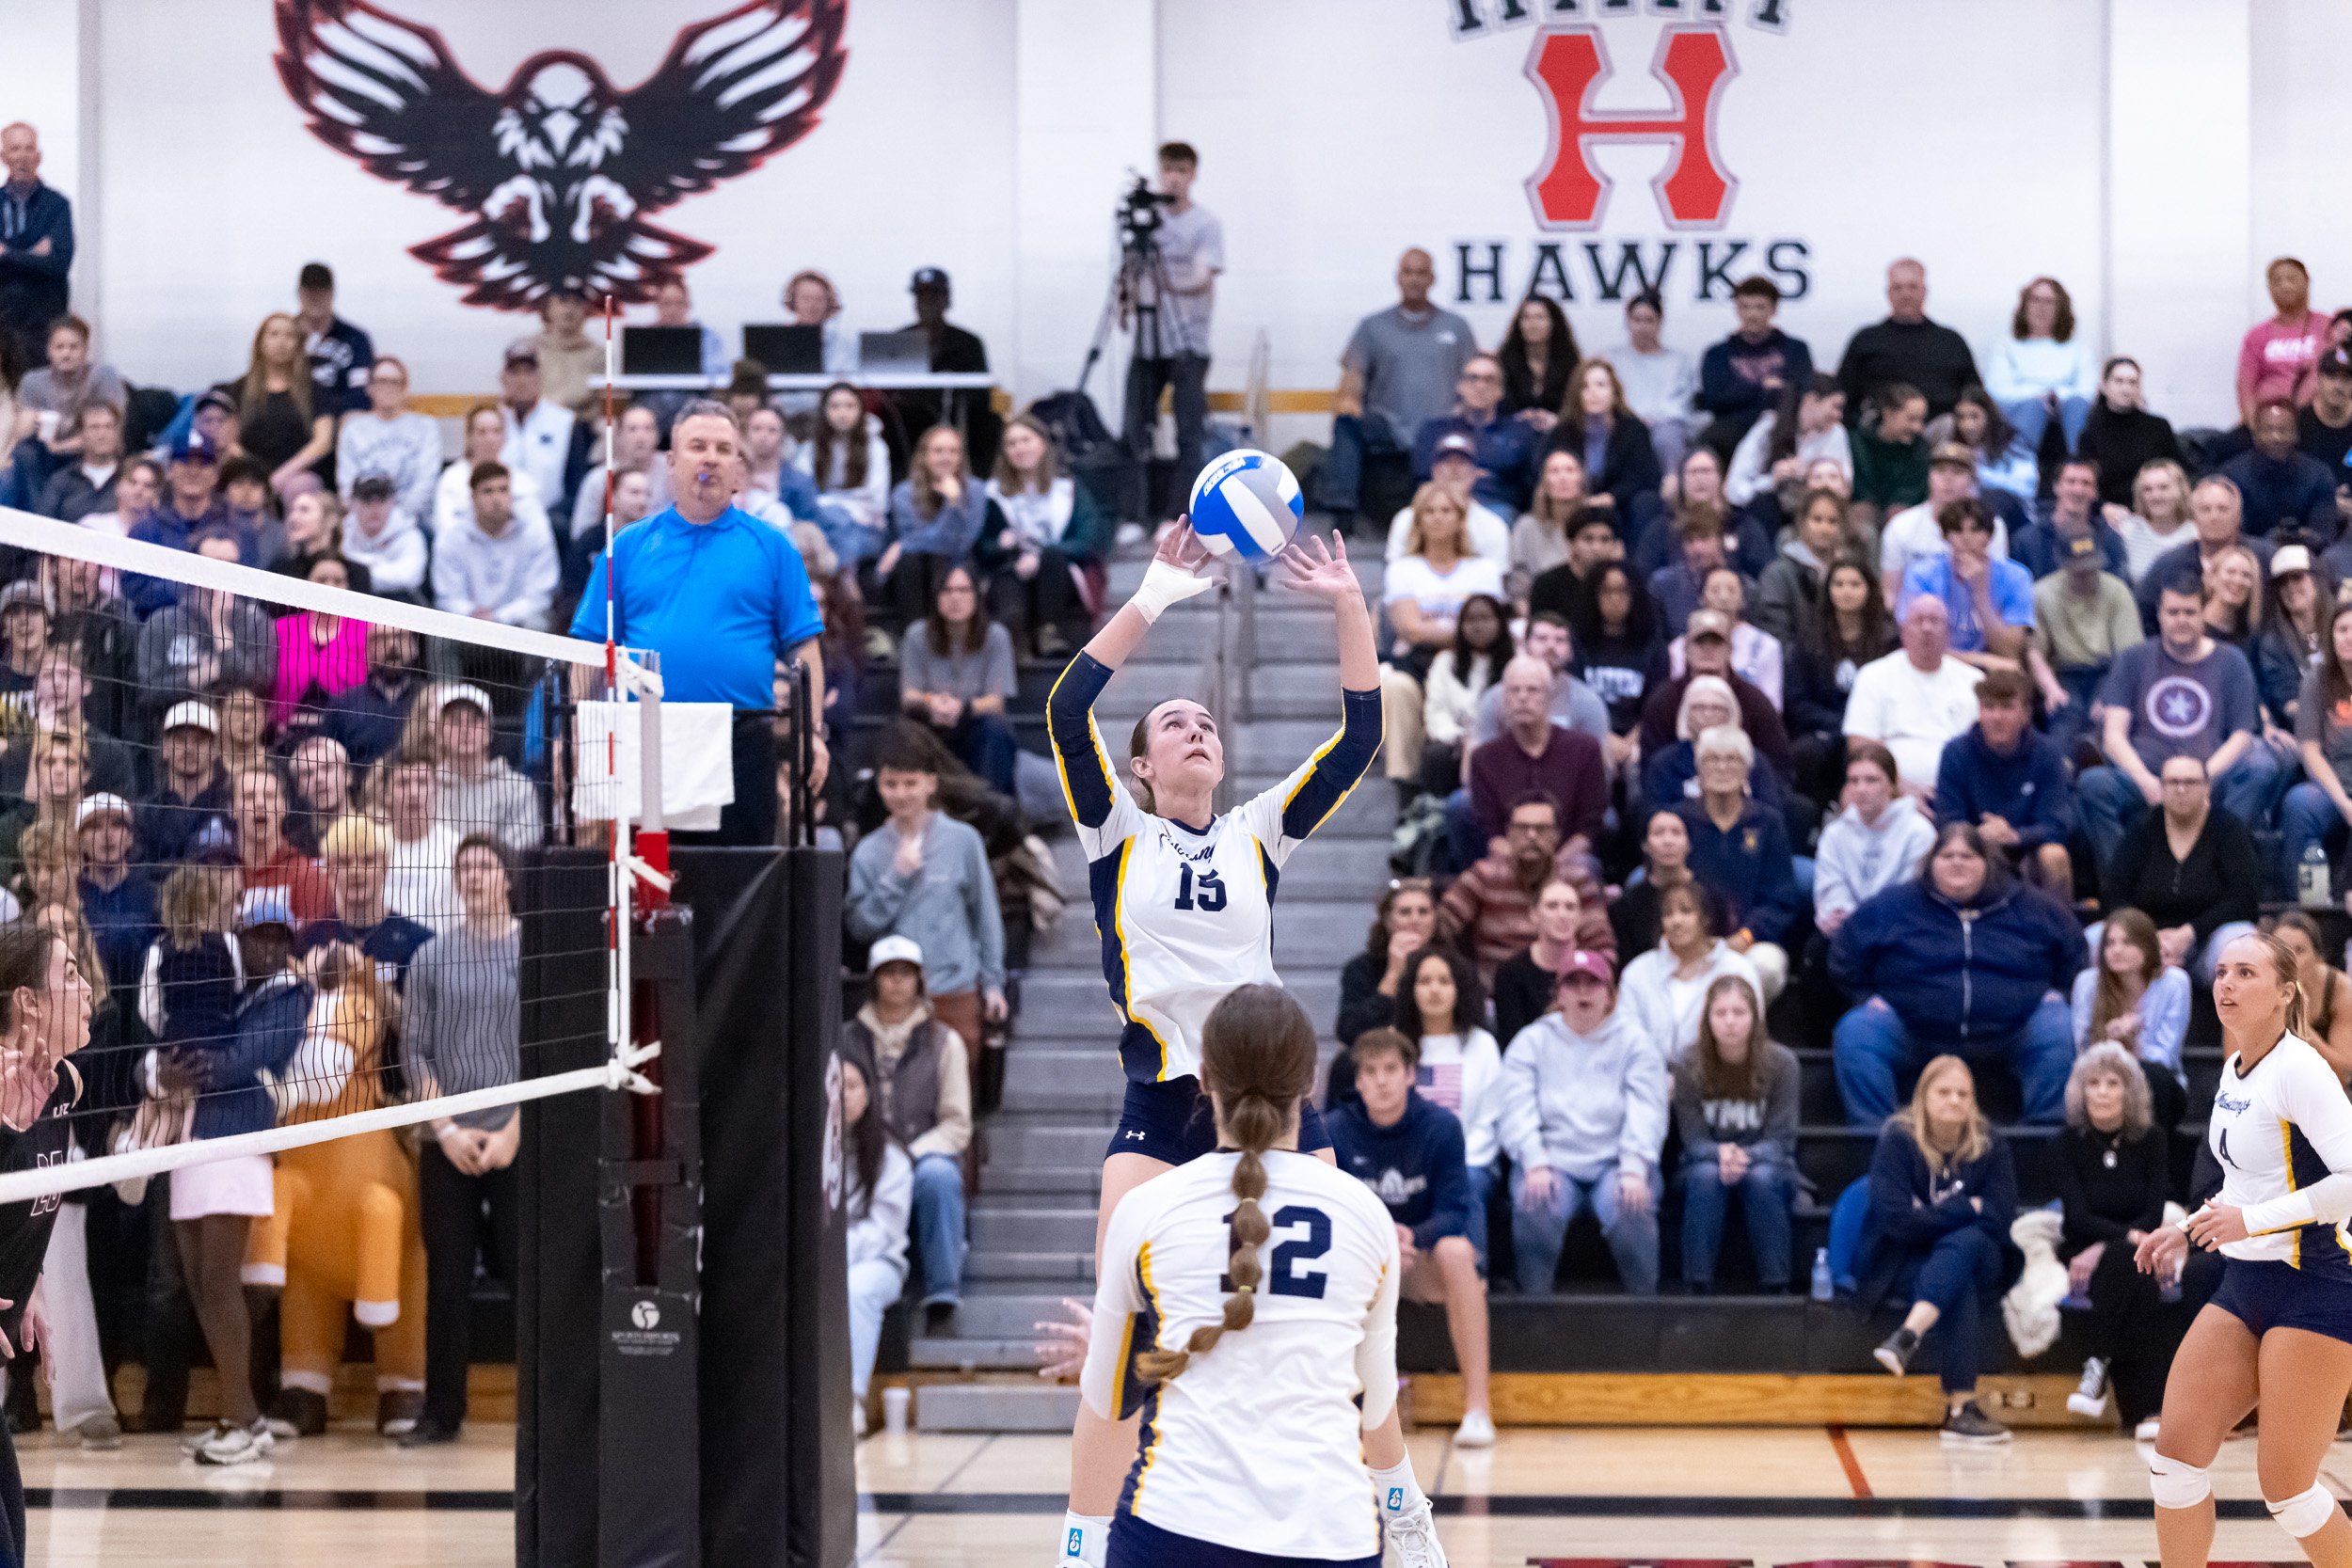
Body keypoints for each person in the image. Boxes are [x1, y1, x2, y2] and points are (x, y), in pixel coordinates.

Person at [1042, 519, 1389, 1568]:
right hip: (1161, 1103)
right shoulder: (1114, 831)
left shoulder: (1256, 832)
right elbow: (1065, 709)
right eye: (1174, 724)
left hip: (1273, 1102)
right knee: (1120, 1346)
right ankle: (1082, 1544)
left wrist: (1348, 603)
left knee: (1327, 1323)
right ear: (1141, 765)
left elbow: (1359, 739)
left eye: (1205, 722)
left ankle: (1375, 1516)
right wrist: (1153, 593)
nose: (1196, 730)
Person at [1073, 986, 1448, 1568]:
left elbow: (1105, 1398)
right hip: (1331, 1540)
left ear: (1202, 1078)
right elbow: (1374, 1405)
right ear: (1310, 1083)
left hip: (1173, 1532)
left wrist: (1111, 1353)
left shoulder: (1144, 1209)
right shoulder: (1366, 1215)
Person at [2136, 931, 2352, 1568]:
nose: (2227, 983)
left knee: (2288, 1492)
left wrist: (2249, 1222)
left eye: (2246, 972)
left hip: (2319, 1287)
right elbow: (2245, 1182)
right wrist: (2187, 1227)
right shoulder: (2234, 1068)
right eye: (2223, 970)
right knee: (2174, 1462)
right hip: (2245, 1285)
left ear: (2285, 992)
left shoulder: (2301, 1068)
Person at [572, 400, 833, 845]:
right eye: (697, 446)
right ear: (671, 463)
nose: (710, 458)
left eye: (723, 449)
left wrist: (811, 732)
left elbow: (804, 647)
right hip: (646, 740)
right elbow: (590, 647)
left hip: (742, 742)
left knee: (742, 878)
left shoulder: (773, 547)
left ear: (739, 470)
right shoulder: (628, 546)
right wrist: (576, 734)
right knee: (648, 877)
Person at [168, 886, 310, 1464]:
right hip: (193, 1141)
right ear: (239, 940)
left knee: (222, 1285)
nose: (270, 950)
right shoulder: (228, 990)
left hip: (239, 1143)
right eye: (259, 938)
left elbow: (240, 1060)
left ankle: (245, 1424)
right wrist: (168, 1064)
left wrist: (188, 1063)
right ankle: (240, 1416)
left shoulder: (291, 994)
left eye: (281, 940)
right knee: (200, 1284)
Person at [1832, 822, 2081, 1126]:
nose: (1957, 863)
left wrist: (2062, 993)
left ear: (1986, 862)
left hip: (2014, 1029)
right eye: (1947, 856)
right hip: (1913, 1030)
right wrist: (1864, 996)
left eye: (1967, 856)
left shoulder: (2032, 907)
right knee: (1857, 1032)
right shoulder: (1894, 905)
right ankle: (1876, 1140)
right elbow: (1845, 951)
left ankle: (2044, 1138)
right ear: (1931, 862)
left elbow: (2075, 952)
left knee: (2059, 1026)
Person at [400, 834, 521, 1448]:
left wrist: (513, 1130)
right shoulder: (430, 957)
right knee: (446, 1281)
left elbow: (549, 1048)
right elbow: (413, 1049)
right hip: (446, 1140)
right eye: (464, 867)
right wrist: (444, 1129)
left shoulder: (533, 951)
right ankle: (441, 1411)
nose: (474, 876)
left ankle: (547, 1407)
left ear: (506, 878)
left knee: (529, 1275)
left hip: (516, 1137)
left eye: (485, 866)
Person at [1330, 1025, 1493, 1446]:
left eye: (1390, 1069)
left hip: (1418, 1260)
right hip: (1363, 1265)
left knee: (1458, 1252)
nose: (1381, 1081)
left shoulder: (1442, 1127)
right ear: (1358, 1081)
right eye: (1371, 1071)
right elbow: (1330, 1215)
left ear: (1409, 1076)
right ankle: (1334, 1409)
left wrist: (1409, 1237)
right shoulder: (1335, 1131)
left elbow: (1456, 1211)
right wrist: (1381, 1243)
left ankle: (1478, 1410)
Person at [1861, 1055, 2022, 1446]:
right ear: (1923, 1096)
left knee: (1968, 1244)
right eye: (1944, 1092)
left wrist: (1928, 1215)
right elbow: (1895, 1221)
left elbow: (2000, 1216)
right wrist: (1969, 1208)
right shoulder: (1898, 1139)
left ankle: (1908, 1335)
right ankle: (1961, 1410)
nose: (1954, 1101)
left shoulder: (1990, 1143)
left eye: (1963, 1094)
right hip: (1907, 1258)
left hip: (1984, 1257)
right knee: (1958, 1277)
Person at [2082, 573, 2277, 873]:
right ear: (2159, 615)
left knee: (2261, 769)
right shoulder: (2133, 659)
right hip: (2146, 777)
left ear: (2203, 614)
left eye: (2190, 612)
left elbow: (2242, 736)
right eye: (2173, 612)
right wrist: (2148, 782)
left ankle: (2213, 867)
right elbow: (2113, 737)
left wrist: (2201, 780)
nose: (2181, 620)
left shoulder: (2232, 661)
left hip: (2211, 776)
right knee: (2093, 784)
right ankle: (2123, 882)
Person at [1498, 952, 1666, 1295]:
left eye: (1593, 984)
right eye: (1573, 984)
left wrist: (1634, 1166)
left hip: (1616, 1163)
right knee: (1535, 1201)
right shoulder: (1531, 1042)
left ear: (1610, 995)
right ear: (1559, 995)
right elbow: (1515, 1107)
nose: (1583, 992)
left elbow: (1648, 1109)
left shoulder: (1636, 1042)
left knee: (1631, 1206)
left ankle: (1646, 1308)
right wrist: (1534, 1160)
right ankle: (1533, 1307)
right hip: (1552, 1163)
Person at [0, 924, 94, 1542]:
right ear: (28, 1002)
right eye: (70, 974)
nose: (87, 988)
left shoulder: (64, 1086)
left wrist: (25, 1270)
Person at [846, 732, 1007, 1055]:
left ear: (930, 784)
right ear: (879, 786)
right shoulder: (868, 852)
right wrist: (895, 877)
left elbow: (985, 916)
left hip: (956, 991)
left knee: (960, 1085)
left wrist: (993, 984)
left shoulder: (963, 841)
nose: (901, 794)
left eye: (911, 783)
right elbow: (859, 927)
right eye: (891, 784)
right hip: (894, 998)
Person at [842, 934, 972, 1329]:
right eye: (888, 972)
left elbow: (957, 1124)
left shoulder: (945, 1042)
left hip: (918, 1155)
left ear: (920, 980)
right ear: (874, 980)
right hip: (856, 1151)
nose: (897, 981)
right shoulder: (845, 1039)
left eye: (906, 972)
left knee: (938, 1176)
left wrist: (906, 1155)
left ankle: (942, 1296)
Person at [2049, 1045, 2178, 1437]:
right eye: (2094, 1083)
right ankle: (2148, 1410)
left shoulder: (2153, 1140)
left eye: (2113, 1083)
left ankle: (2097, 1361)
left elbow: (2154, 1213)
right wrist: (2125, 1238)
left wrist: (2119, 1242)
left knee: (2132, 1267)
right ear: (2081, 1091)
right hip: (2081, 1247)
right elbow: (2078, 1217)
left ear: (2130, 1091)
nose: (2102, 1092)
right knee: (2134, 1266)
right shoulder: (2065, 1143)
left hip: (2129, 1246)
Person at [1321, 248, 1478, 527]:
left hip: (1440, 428)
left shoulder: (1456, 327)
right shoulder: (1373, 327)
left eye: (1421, 273)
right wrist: (1349, 401)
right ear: (1398, 277)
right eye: (1408, 272)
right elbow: (1353, 377)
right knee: (1346, 423)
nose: (1414, 279)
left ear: (1432, 279)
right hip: (1388, 429)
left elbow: (1473, 378)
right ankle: (1342, 512)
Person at [1672, 975, 1799, 1293]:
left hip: (1769, 1163)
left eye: (1739, 1012)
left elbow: (1781, 1141)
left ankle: (1776, 1286)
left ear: (1755, 1017)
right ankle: (1696, 1285)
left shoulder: (1783, 1064)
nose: (1730, 1022)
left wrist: (1742, 1157)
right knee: (1706, 1175)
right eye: (1721, 1013)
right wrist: (1720, 1154)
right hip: (1703, 1162)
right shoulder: (1687, 1064)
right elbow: (1693, 1140)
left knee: (1761, 1177)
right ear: (1708, 1019)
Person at [1120, 141, 1222, 511]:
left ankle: (1180, 514)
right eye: (1168, 170)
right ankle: (1135, 514)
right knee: (1134, 430)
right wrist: (1126, 298)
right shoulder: (1147, 222)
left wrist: (1161, 281)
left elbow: (1200, 278)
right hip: (1148, 345)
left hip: (1187, 344)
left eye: (1181, 170)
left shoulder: (1206, 224)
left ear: (1193, 175)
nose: (1174, 178)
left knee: (1188, 435)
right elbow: (1129, 274)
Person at [2104, 755, 2261, 987]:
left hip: (2207, 941)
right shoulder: (2142, 828)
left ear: (2206, 787)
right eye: (2173, 782)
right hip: (2145, 944)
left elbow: (2243, 899)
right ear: (2162, 787)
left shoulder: (2228, 829)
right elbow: (2115, 893)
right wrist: (2148, 937)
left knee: (2243, 943)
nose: (2181, 789)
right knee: (2095, 939)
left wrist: (2189, 933)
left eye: (2190, 782)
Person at [1670, 726, 1796, 1001]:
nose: (1722, 767)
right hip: (1689, 938)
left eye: (1732, 759)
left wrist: (1745, 937)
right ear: (1698, 769)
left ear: (1747, 769)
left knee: (1767, 965)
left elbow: (1780, 899)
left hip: (1750, 942)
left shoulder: (1768, 823)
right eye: (1712, 759)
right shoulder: (1678, 821)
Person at [1438, 793, 1613, 986]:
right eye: (1522, 828)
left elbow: (1603, 948)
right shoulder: (1484, 876)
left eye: (1541, 829)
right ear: (1508, 833)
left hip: (1561, 990)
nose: (1531, 836)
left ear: (1556, 835)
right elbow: (1440, 928)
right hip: (1493, 991)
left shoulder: (1578, 880)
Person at [1935, 668, 2077, 891]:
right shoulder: (1955, 753)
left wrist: (2014, 836)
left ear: (2025, 714)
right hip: (1972, 849)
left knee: (2054, 855)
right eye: (1989, 707)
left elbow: (2056, 825)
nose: (1997, 717)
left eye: (2007, 707)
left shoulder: (2047, 754)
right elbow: (1948, 819)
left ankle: (2057, 914)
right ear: (1979, 711)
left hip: (2027, 851)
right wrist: (1978, 835)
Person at [981, 412, 1105, 657]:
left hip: (1059, 570)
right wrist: (1001, 545)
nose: (1019, 448)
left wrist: (1041, 557)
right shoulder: (994, 494)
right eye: (1012, 444)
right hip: (1012, 568)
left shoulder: (1069, 488)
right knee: (1009, 597)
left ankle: (1049, 633)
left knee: (1051, 558)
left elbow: (1089, 539)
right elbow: (982, 547)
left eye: (1026, 440)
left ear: (1042, 444)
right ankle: (1014, 648)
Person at [836, 1039, 911, 1433]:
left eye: (852, 1086)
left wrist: (831, 1253)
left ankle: (850, 1401)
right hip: (823, 1260)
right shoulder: (809, 1152)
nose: (843, 1096)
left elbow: (885, 1231)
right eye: (836, 1086)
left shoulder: (890, 1157)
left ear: (867, 1094)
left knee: (857, 1287)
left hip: (879, 1263)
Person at [1842, 594, 1984, 800]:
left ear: (1948, 632)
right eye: (1918, 621)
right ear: (1903, 631)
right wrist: (1904, 791)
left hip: (1961, 794)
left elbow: (1985, 749)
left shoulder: (1974, 681)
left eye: (1935, 621)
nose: (1927, 628)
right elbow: (1861, 745)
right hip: (1889, 795)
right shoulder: (1873, 676)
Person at [898, 564, 1019, 798]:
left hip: (974, 724)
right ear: (936, 597)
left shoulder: (996, 636)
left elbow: (996, 702)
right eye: (947, 590)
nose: (955, 598)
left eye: (963, 590)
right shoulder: (917, 634)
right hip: (931, 723)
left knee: (995, 728)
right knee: (904, 729)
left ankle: (989, 805)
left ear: (976, 596)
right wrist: (931, 702)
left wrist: (962, 708)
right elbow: (908, 696)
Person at [1785, 554, 1898, 798]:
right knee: (1806, 753)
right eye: (1839, 584)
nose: (1846, 591)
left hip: (1876, 727)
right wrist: (1842, 724)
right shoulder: (1808, 640)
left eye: (1855, 584)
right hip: (1825, 727)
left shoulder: (1889, 639)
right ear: (1828, 590)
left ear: (1869, 589)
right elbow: (1797, 701)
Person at [1618, 879, 1764, 1065]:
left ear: (1705, 918)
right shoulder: (1638, 972)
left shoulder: (1737, 969)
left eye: (1686, 911)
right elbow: (1626, 1035)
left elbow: (1752, 1033)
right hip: (1650, 1074)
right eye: (1668, 914)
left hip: (1718, 1074)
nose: (1676, 921)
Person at [1466, 662, 1607, 851]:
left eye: (1533, 690)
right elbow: (1490, 831)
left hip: (1570, 854)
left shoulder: (1584, 750)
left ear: (1550, 697)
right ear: (1503, 700)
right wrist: (1523, 864)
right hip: (1508, 857)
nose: (1522, 698)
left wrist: (1552, 865)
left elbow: (1589, 823)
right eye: (1514, 691)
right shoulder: (1484, 758)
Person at [2074, 908, 2191, 1132]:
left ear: (2148, 947)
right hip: (2102, 1079)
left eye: (2127, 942)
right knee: (2095, 1086)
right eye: (2110, 943)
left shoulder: (2175, 983)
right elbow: (2084, 1053)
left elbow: (2165, 1058)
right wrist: (2111, 1043)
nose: (2117, 950)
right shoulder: (2087, 984)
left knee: (2154, 1079)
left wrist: (2134, 1044)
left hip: (2160, 1085)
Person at [2035, 530, 2145, 755]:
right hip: (2065, 673)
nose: (2087, 576)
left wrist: (2111, 694)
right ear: (2063, 565)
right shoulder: (2042, 594)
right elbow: (2035, 652)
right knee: (2064, 721)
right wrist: (2050, 688)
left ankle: (2096, 753)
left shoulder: (2117, 591)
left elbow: (2130, 655)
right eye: (2079, 571)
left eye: (2092, 568)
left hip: (2108, 671)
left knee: (2108, 719)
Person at [1817, 740, 1935, 938]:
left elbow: (1910, 896)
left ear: (1892, 785)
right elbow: (1831, 890)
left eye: (1871, 780)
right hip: (1847, 931)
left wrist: (1865, 921)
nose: (1861, 789)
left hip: (1899, 932)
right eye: (1854, 781)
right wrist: (1847, 919)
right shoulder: (1835, 834)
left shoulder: (1918, 832)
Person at [1836, 259, 1982, 419]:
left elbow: (1974, 397)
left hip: (1942, 428)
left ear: (1924, 291)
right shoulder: (1866, 341)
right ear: (1888, 293)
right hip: (1880, 430)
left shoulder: (1951, 342)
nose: (1906, 295)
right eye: (1898, 288)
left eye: (1913, 287)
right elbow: (1844, 398)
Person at [879, 424, 990, 630]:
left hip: (959, 562)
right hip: (918, 567)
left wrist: (953, 503)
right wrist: (909, 545)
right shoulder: (904, 493)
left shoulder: (975, 490)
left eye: (953, 451)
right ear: (924, 456)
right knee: (910, 562)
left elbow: (961, 544)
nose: (946, 457)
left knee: (941, 564)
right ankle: (913, 634)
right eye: (938, 451)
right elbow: (918, 542)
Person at [1695, 275, 1814, 459]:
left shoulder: (1796, 349)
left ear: (1774, 309)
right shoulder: (1716, 354)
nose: (1752, 314)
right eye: (1745, 307)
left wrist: (1741, 392)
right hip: (1731, 430)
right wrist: (1765, 388)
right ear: (1737, 309)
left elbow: (1801, 392)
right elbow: (1714, 400)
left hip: (1784, 426)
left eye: (1760, 307)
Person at [431, 462, 559, 630]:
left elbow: (539, 596)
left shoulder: (535, 534)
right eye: (488, 491)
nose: (497, 499)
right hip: (465, 625)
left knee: (538, 623)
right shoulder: (451, 538)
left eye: (503, 490)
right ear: (473, 498)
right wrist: (473, 615)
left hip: (518, 623)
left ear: (512, 495)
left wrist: (500, 617)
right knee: (441, 627)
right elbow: (448, 597)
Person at [2134, 477, 2269, 634]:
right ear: (2194, 517)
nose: (2214, 516)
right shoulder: (2169, 564)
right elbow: (2144, 618)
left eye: (2223, 509)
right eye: (2206, 509)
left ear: (2238, 516)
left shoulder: (2264, 557)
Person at [1984, 277, 2098, 456]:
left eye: (2049, 301)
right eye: (2035, 300)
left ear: (2061, 308)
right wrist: (2041, 398)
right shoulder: (2005, 347)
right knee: (2034, 407)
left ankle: (2077, 462)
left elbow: (2088, 390)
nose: (2041, 307)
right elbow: (1997, 390)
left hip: (2067, 414)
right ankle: (2021, 464)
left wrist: (2056, 397)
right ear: (2024, 306)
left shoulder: (2079, 349)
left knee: (2076, 404)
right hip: (2021, 416)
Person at [1879, 443, 2007, 602]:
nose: (1948, 479)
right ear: (1929, 476)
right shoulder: (1900, 526)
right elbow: (1890, 595)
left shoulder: (1993, 526)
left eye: (1958, 472)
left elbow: (1997, 586)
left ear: (1972, 480)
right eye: (1940, 470)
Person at [1415, 354, 1539, 516]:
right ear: (1460, 386)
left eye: (1489, 380)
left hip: (1499, 510)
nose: (1481, 386)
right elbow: (1422, 480)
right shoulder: (1434, 430)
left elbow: (1528, 488)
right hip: (1444, 508)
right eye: (1473, 378)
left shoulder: (1520, 433)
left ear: (1501, 391)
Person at [430, 684, 543, 853]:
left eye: (474, 720)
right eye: (455, 721)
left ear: (489, 732)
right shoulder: (426, 787)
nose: (465, 730)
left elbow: (517, 852)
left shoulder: (519, 788)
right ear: (439, 733)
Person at [1551, 357, 1664, 524]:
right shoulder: (1563, 430)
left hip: (1621, 505)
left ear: (1614, 393)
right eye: (1585, 387)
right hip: (1573, 502)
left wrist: (1612, 497)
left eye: (1601, 385)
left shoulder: (1633, 429)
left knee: (1646, 501)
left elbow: (1645, 477)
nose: (1593, 393)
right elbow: (1543, 470)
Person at [1334, 879, 1441, 1049]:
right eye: (1405, 912)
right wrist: (1393, 974)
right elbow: (1349, 1032)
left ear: (1434, 919)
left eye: (1423, 912)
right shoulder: (1361, 968)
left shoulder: (1454, 965)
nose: (1415, 919)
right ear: (1388, 920)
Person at [0, 122, 72, 371]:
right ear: (3, 156)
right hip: (3, 321)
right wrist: (33, 255)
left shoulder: (57, 205)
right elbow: (44, 263)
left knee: (40, 393)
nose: (22, 156)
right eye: (15, 148)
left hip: (44, 326)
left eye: (29, 148)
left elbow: (59, 264)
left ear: (38, 157)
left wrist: (7, 254)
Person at [1571, 561, 1668, 742]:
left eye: (1622, 591)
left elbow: (1657, 702)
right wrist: (1605, 738)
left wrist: (1632, 741)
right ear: (1594, 595)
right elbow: (1573, 699)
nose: (1615, 599)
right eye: (1607, 591)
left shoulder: (1652, 644)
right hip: (1587, 736)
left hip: (1639, 740)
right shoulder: (1576, 642)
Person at [1601, 292, 1696, 475]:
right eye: (1637, 320)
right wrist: (1634, 420)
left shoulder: (1678, 361)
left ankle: (1672, 486)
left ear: (1659, 323)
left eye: (1649, 320)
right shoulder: (1611, 359)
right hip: (1622, 423)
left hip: (1664, 425)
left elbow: (1681, 403)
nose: (1643, 326)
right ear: (1628, 322)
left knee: (1668, 436)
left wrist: (1654, 420)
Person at [797, 383, 891, 566]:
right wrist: (831, 508)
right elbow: (803, 494)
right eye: (835, 406)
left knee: (842, 533)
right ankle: (842, 577)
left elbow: (877, 502)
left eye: (850, 406)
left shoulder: (876, 448)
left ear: (861, 410)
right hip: (822, 523)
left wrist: (832, 505)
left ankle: (833, 577)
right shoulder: (811, 449)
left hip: (866, 527)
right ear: (824, 411)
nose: (843, 413)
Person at [1725, 372, 1851, 510]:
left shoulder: (1837, 433)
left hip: (1818, 510)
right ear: (1811, 399)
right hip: (1772, 509)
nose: (1839, 415)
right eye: (1835, 406)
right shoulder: (1768, 428)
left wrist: (1809, 476)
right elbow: (1733, 489)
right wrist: (1772, 480)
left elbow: (1845, 485)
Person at [1490, 876, 1583, 1050]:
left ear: (1580, 917)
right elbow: (1513, 1042)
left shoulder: (1592, 970)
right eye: (1552, 906)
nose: (1562, 915)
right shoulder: (1510, 972)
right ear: (1534, 914)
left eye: (1570, 907)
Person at [2222, 399, 2337, 540]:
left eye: (2283, 430)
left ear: (2296, 434)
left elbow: (2324, 536)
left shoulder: (2319, 476)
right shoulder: (2231, 477)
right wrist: (2270, 543)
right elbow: (2232, 536)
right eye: (2268, 430)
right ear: (2254, 435)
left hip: (2307, 551)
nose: (2276, 437)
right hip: (2248, 552)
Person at [2077, 358, 2183, 512]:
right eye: (2119, 381)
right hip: (2110, 514)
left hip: (2155, 509)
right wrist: (2103, 507)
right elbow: (2084, 483)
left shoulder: (2158, 427)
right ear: (2104, 386)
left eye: (2133, 382)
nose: (2126, 389)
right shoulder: (2090, 433)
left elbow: (2180, 472)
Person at [1754, 485, 1849, 650]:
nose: (1825, 529)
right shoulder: (1778, 575)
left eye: (1833, 521)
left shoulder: (1850, 572)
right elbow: (1776, 637)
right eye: (1817, 520)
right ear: (1803, 523)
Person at [2236, 256, 2328, 427]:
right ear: (2269, 289)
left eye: (2292, 279)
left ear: (2307, 283)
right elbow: (2245, 388)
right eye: (2277, 281)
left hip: (2317, 422)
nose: (2285, 286)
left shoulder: (2327, 327)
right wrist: (2257, 428)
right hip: (2268, 424)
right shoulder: (2256, 335)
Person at [495, 341, 577, 515]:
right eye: (515, 373)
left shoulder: (564, 421)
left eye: (528, 372)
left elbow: (575, 485)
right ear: (503, 378)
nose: (522, 380)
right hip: (498, 517)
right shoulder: (491, 421)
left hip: (551, 518)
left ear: (539, 377)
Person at [2269, 911, 2352, 1076]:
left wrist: (2303, 1028)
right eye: (2281, 950)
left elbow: (2346, 1076)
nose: (2289, 959)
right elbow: (2237, 1073)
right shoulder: (2248, 988)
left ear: (2318, 958)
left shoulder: (2341, 990)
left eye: (2299, 950)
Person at [1609, 808, 1695, 957]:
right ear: (1645, 845)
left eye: (1676, 833)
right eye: (1658, 833)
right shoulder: (1626, 907)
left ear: (1689, 843)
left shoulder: (1711, 897)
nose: (1668, 841)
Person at [31, 397, 119, 524]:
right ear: (81, 434)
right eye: (94, 427)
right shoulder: (62, 481)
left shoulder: (131, 478)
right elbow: (42, 523)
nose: (102, 434)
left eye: (109, 427)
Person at [1497, 291, 1578, 424]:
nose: (1532, 324)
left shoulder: (1571, 365)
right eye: (1526, 318)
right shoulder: (1503, 364)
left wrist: (1556, 421)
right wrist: (1518, 419)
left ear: (1553, 323)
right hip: (1512, 433)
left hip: (1560, 432)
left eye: (1540, 317)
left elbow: (1575, 410)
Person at [2297, 345, 2352, 470]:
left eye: (2346, 379)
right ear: (2318, 379)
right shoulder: (2300, 422)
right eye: (2331, 377)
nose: (2338, 386)